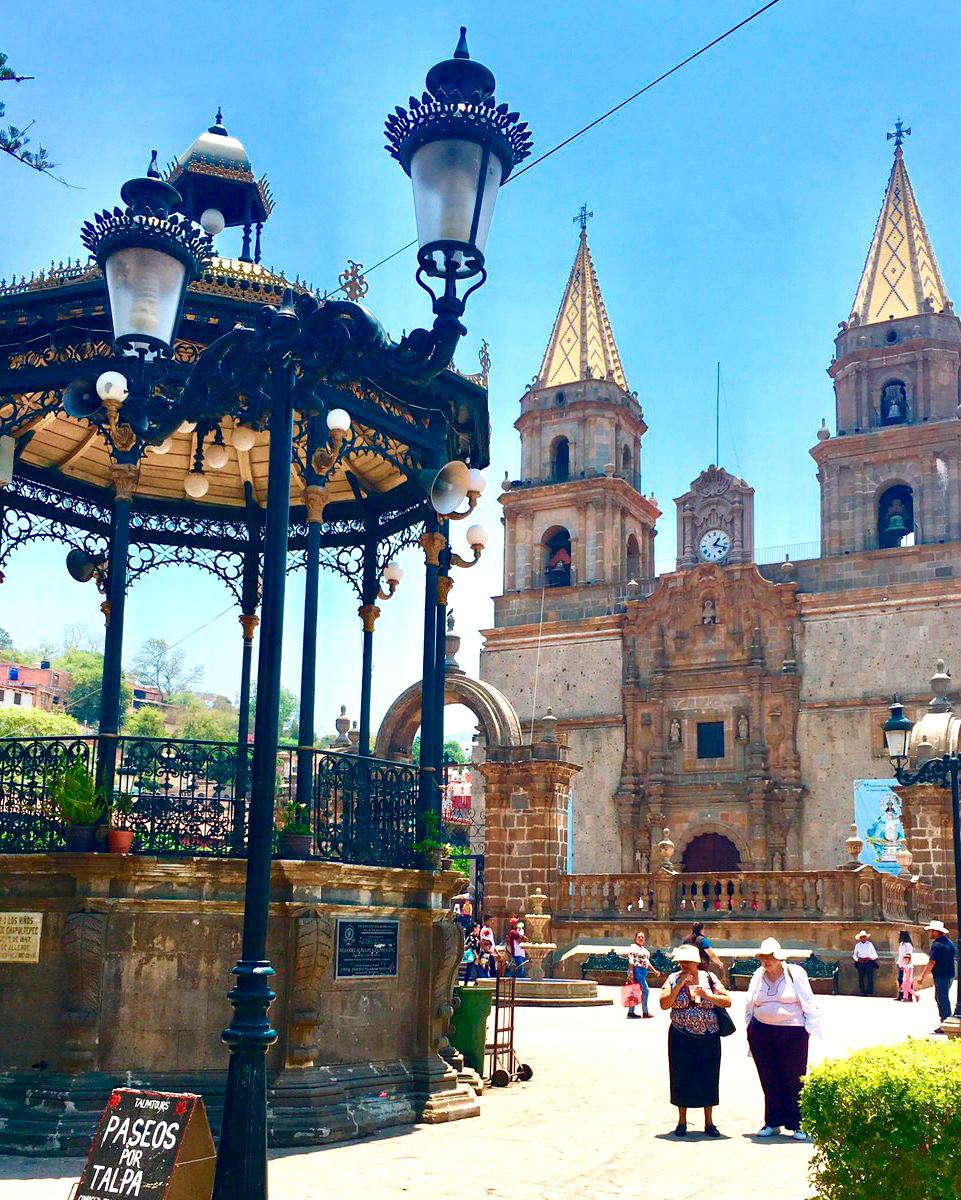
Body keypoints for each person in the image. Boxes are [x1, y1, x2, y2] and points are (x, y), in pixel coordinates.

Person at [745, 937, 821, 1141]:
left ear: (779, 958)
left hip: (792, 1032)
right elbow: (750, 1003)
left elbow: (809, 1001)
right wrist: (750, 1028)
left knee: (794, 1078)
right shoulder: (758, 975)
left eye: (769, 957)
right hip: (762, 1032)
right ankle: (772, 1121)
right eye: (763, 957)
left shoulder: (794, 973)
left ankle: (797, 1123)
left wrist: (807, 1030)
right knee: (769, 1078)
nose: (766, 961)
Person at [660, 944, 732, 1138]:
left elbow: (727, 1001)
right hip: (680, 1034)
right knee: (681, 1076)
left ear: (696, 962)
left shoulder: (710, 978)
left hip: (709, 1035)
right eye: (681, 962)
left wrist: (707, 995)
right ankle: (682, 1121)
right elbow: (664, 1004)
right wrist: (679, 986)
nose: (684, 965)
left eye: (688, 962)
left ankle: (709, 1122)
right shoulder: (673, 978)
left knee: (708, 1077)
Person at [917, 919, 957, 1032]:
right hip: (949, 974)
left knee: (942, 998)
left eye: (931, 931)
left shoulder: (937, 945)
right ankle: (945, 1021)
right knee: (940, 997)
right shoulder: (949, 942)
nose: (930, 934)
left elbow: (932, 962)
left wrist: (922, 976)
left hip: (941, 976)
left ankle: (946, 1022)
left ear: (935, 932)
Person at [626, 931, 653, 1019]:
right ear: (635, 938)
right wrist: (631, 972)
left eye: (642, 937)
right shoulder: (633, 948)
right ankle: (645, 1011)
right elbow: (631, 960)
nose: (641, 938)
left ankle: (631, 1012)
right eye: (639, 937)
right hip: (637, 971)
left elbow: (647, 962)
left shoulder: (644, 950)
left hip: (643, 971)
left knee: (634, 992)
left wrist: (654, 970)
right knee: (646, 990)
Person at [852, 930, 879, 996]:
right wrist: (858, 959)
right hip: (861, 963)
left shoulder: (870, 944)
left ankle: (869, 992)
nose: (863, 938)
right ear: (860, 938)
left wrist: (870, 958)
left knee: (870, 978)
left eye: (864, 937)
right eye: (862, 937)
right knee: (861, 978)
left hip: (869, 962)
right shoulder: (857, 945)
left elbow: (875, 954)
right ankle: (862, 992)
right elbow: (854, 955)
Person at [897, 930, 916, 1002]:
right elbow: (900, 955)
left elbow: (908, 955)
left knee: (908, 981)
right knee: (901, 980)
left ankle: (909, 996)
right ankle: (901, 995)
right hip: (901, 965)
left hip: (907, 966)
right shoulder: (901, 944)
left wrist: (905, 964)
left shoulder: (908, 945)